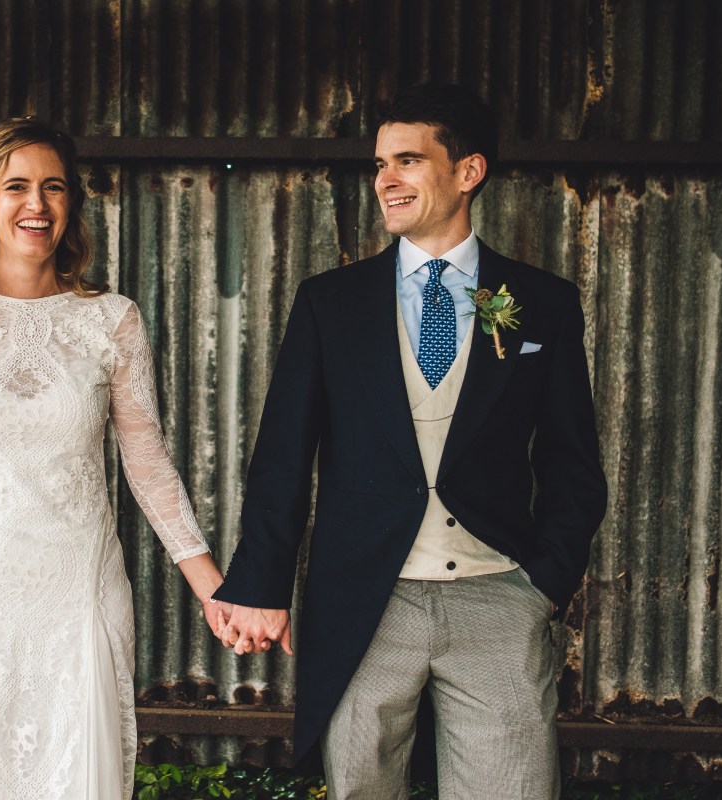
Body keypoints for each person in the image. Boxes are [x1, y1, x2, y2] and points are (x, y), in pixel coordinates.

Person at [213, 84, 608, 799]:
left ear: (468, 171)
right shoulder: (330, 303)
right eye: (380, 164)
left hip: (499, 595)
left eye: (408, 161)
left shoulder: (542, 302)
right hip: (365, 600)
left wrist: (543, 584)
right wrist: (260, 585)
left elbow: (570, 458)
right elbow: (281, 458)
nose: (385, 180)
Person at [0, 117, 231, 799]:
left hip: (77, 591)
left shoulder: (112, 321)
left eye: (53, 187)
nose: (37, 204)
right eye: (17, 186)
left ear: (71, 202)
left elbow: (148, 466)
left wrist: (212, 591)